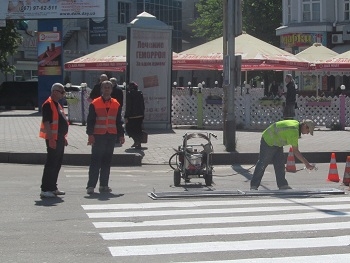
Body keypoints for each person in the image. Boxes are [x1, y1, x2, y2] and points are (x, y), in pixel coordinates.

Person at [250, 119, 316, 191]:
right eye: (308, 131)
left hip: (277, 141)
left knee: (280, 163)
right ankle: (254, 186)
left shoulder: (296, 124)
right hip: (268, 140)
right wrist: (306, 164)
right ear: (305, 126)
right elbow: (296, 151)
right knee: (263, 163)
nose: (307, 133)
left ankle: (282, 185)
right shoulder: (294, 131)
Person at [86, 80, 125, 195]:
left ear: (112, 90)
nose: (107, 89)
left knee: (107, 162)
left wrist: (121, 134)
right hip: (98, 135)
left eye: (109, 87)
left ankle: (104, 185)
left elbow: (118, 121)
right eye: (105, 87)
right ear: (101, 89)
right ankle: (91, 186)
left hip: (111, 135)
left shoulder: (116, 103)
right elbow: (90, 120)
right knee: (95, 161)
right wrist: (90, 135)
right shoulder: (95, 103)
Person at [39, 83, 69, 198]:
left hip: (59, 138)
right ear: (55, 92)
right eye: (62, 92)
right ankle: (45, 189)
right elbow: (46, 122)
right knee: (51, 164)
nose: (63, 94)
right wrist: (51, 139)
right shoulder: (48, 104)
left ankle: (53, 187)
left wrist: (64, 137)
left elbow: (61, 122)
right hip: (53, 139)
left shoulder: (57, 104)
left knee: (57, 164)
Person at [124, 82, 145, 149]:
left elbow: (128, 105)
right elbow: (142, 104)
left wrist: (126, 116)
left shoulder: (129, 94)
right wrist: (142, 113)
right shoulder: (140, 93)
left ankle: (136, 141)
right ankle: (138, 143)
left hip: (132, 115)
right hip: (140, 115)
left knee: (129, 129)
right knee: (138, 129)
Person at [110, 77, 124, 145]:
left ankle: (117, 137)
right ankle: (116, 137)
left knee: (116, 123)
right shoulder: (118, 89)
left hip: (115, 108)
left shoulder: (116, 90)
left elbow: (120, 100)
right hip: (116, 107)